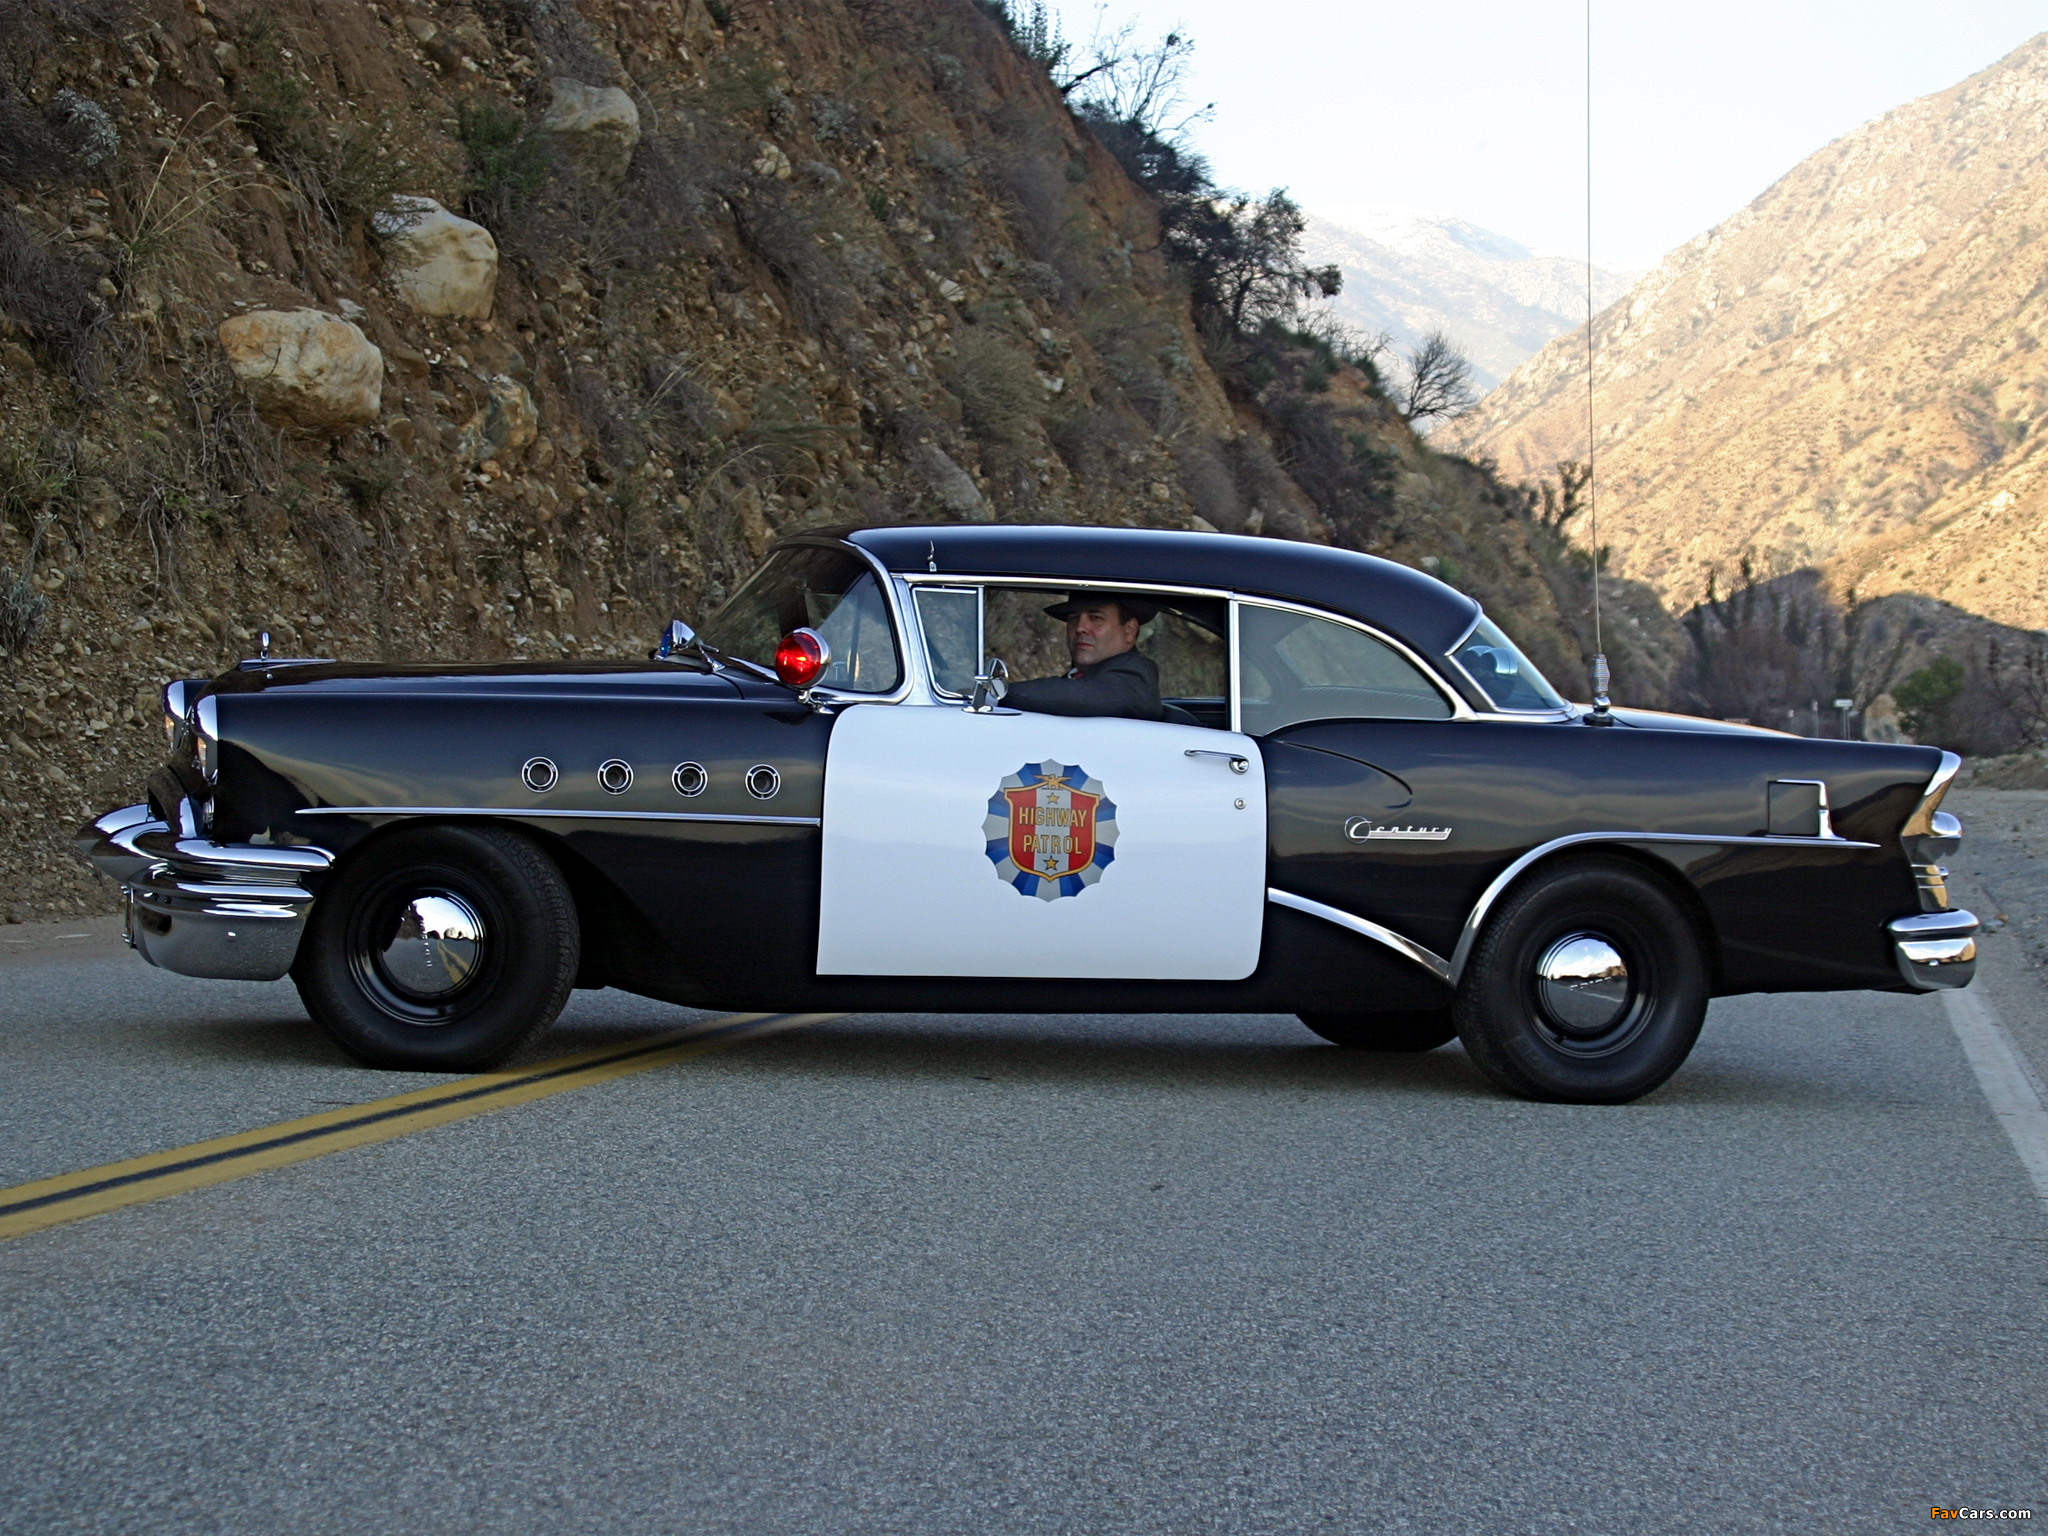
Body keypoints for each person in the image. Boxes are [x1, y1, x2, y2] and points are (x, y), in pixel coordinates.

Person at [1004, 592, 1165, 721]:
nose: (1080, 628)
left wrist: (995, 693)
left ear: (1129, 631)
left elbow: (1084, 697)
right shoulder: (1082, 677)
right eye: (1073, 618)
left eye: (1095, 618)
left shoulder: (1133, 676)